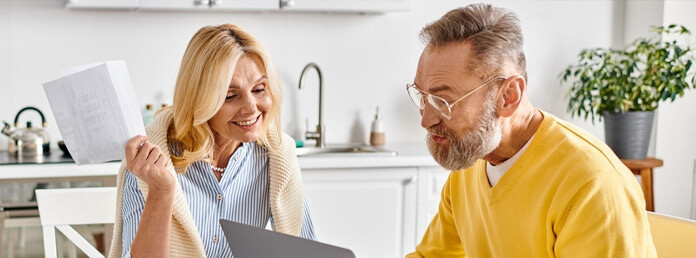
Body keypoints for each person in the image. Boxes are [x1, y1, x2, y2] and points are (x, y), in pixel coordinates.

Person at [405, 4, 656, 257]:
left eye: (443, 102)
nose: (426, 120)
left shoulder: (592, 184)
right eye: (423, 97)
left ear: (509, 96)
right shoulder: (470, 160)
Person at [108, 24, 315, 257]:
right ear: (199, 99)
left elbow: (305, 249)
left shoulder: (276, 156)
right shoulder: (151, 162)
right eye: (230, 96)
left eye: (259, 89)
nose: (251, 108)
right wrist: (160, 191)